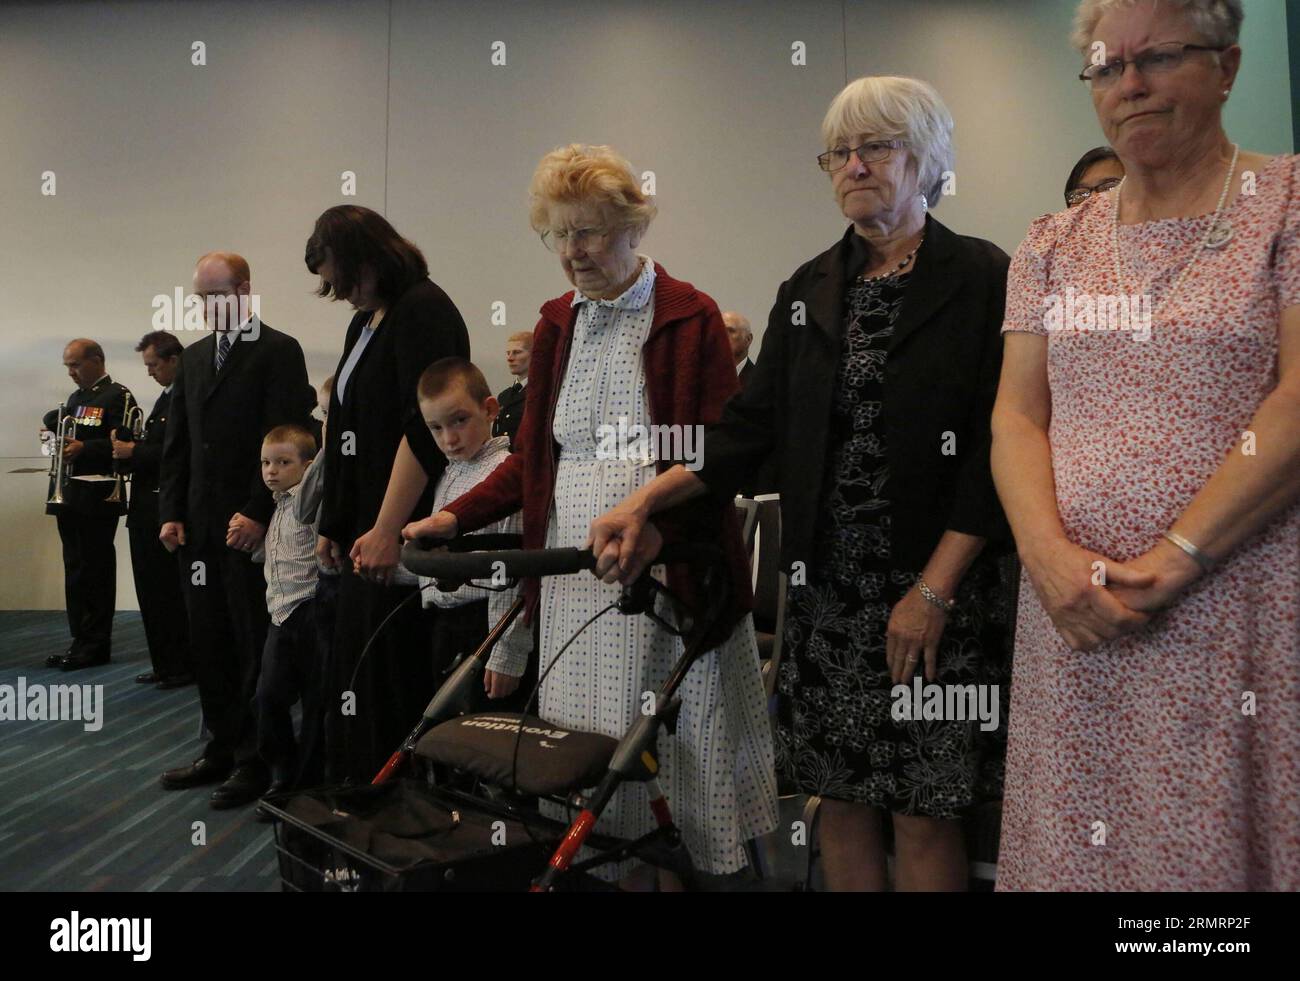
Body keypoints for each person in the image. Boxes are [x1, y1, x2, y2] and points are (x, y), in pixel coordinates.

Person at [590, 78, 1014, 892]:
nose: (853, 165)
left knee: (924, 807)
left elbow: (998, 450)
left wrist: (934, 589)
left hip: (939, 598)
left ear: (926, 160)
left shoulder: (984, 277)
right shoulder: (810, 288)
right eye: (838, 153)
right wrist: (645, 500)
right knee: (841, 800)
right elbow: (747, 431)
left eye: (876, 147)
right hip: (831, 595)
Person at [403, 144, 777, 888]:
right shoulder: (553, 324)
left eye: (591, 231)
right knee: (594, 766)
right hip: (573, 568)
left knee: (677, 756)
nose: (574, 251)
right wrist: (454, 519)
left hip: (662, 561)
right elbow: (533, 461)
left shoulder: (690, 316)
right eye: (559, 234)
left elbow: (719, 455)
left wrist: (657, 521)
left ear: (634, 228)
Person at [991, 0, 1299, 890]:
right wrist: (1047, 558)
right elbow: (1016, 418)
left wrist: (1178, 555)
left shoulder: (1284, 201)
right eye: (1105, 65)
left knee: (1207, 865)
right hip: (1076, 618)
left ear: (1228, 64)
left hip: (1235, 603)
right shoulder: (1051, 243)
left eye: (1157, 57)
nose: (1129, 85)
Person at [306, 205, 470, 783]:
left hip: (402, 525)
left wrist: (384, 528)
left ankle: (395, 808)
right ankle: (360, 795)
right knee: (354, 674)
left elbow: (421, 432)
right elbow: (344, 429)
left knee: (388, 672)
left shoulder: (423, 310)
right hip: (362, 523)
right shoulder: (366, 320)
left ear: (371, 257)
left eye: (343, 279)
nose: (339, 293)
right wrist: (334, 520)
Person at [159, 252, 314, 809]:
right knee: (209, 643)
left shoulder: (277, 350)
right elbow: (178, 441)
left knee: (252, 645)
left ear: (245, 289)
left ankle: (259, 759)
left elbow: (286, 441)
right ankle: (221, 746)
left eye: (217, 294)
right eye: (200, 297)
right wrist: (170, 511)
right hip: (197, 530)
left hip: (249, 527)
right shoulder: (195, 357)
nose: (206, 307)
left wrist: (258, 510)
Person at [411, 357, 531, 709]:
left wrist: (505, 652)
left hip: (484, 624)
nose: (449, 438)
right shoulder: (450, 474)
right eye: (435, 428)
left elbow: (512, 567)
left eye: (459, 421)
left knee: (479, 729)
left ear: (490, 408)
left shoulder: (504, 474)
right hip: (443, 623)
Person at [40, 339, 131, 671]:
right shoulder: (76, 399)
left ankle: (95, 643)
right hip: (70, 495)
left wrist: (84, 449)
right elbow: (67, 438)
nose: (71, 372)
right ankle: (79, 639)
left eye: (75, 365)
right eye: (67, 366)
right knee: (75, 570)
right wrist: (52, 441)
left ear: (97, 360)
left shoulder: (117, 396)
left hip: (98, 496)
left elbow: (125, 443)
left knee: (95, 570)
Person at [112, 331, 192, 688]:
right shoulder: (166, 398)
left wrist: (135, 453)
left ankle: (179, 665)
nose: (149, 373)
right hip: (146, 508)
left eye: (153, 365)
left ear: (173, 360)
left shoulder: (187, 398)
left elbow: (178, 454)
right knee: (151, 594)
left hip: (166, 509)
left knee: (167, 594)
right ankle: (165, 662)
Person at [251, 424, 322, 800]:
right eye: (265, 462)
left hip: (308, 610)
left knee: (315, 699)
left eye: (282, 462)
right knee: (268, 696)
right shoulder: (275, 506)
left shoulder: (308, 505)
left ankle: (308, 777)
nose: (271, 470)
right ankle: (280, 768)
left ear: (309, 466)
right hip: (278, 614)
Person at [492, 331, 531, 449]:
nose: (510, 358)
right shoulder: (504, 396)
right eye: (508, 353)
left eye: (517, 352)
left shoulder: (542, 394)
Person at [722, 312, 755, 386]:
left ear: (748, 339)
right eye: (719, 330)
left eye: (730, 331)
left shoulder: (761, 381)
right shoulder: (703, 377)